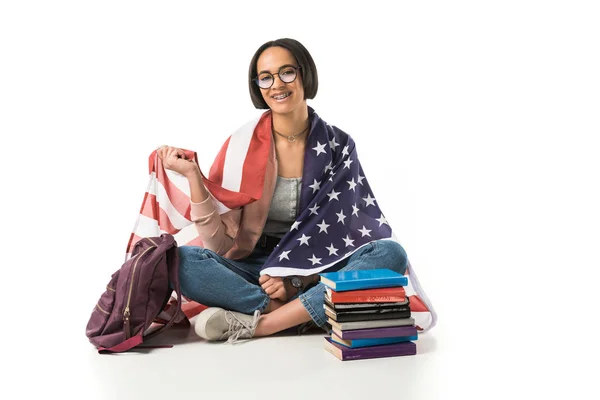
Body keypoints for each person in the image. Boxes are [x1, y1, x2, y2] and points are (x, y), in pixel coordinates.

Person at [157, 38, 409, 343]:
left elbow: (348, 234)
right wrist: (194, 177)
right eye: (266, 77)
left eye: (287, 72)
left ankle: (262, 324)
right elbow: (219, 246)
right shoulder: (241, 145)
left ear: (305, 76)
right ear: (258, 87)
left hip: (318, 265)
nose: (277, 84)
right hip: (255, 264)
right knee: (181, 260)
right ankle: (302, 314)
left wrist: (299, 279)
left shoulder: (338, 145)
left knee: (389, 252)